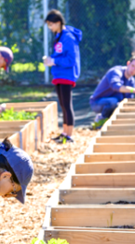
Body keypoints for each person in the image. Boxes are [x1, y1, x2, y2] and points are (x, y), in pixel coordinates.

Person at [43, 9, 82, 144]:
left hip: (67, 75)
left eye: (51, 24)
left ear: (58, 22)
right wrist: (51, 60)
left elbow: (71, 60)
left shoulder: (68, 37)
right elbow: (59, 55)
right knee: (62, 105)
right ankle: (64, 132)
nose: (50, 27)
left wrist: (54, 61)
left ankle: (69, 135)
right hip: (59, 74)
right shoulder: (58, 35)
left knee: (67, 104)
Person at [90, 56, 135, 129]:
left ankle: (111, 122)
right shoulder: (116, 71)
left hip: (115, 104)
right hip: (97, 103)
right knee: (113, 101)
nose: (133, 69)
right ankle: (101, 119)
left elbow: (128, 102)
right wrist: (134, 90)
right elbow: (116, 86)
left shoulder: (131, 82)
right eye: (132, 66)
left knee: (120, 105)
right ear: (128, 63)